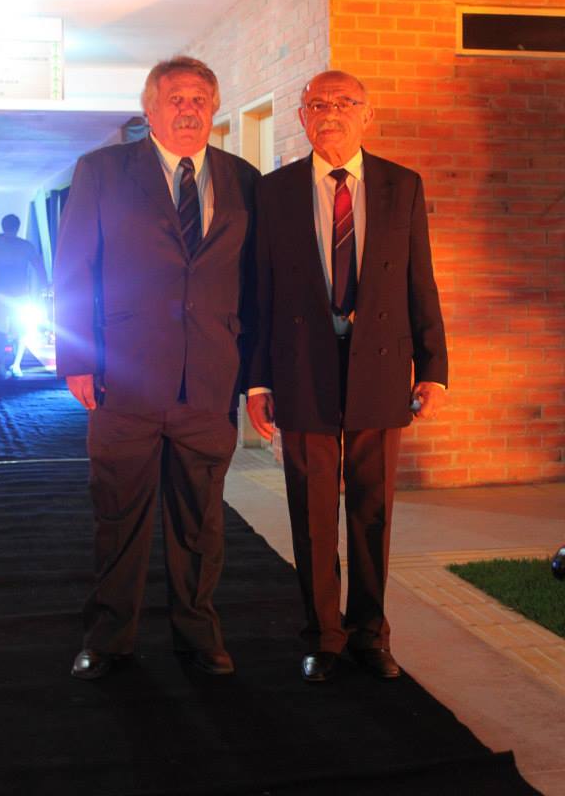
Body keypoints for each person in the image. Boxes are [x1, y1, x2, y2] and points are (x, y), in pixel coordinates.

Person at [54, 56, 259, 680]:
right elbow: (74, 267)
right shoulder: (102, 171)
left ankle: (198, 636)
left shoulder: (245, 179)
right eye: (175, 98)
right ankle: (109, 638)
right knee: (119, 516)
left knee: (201, 520)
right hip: (124, 379)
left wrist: (256, 374)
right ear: (150, 109)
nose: (188, 109)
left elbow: (256, 284)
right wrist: (78, 357)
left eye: (199, 98)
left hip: (209, 382)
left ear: (214, 108)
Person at [247, 70, 448, 683]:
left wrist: (434, 368)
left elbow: (420, 280)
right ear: (302, 117)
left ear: (367, 114)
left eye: (343, 102)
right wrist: (257, 381)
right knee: (310, 510)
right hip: (300, 367)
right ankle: (322, 635)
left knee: (372, 508)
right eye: (317, 104)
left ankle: (370, 634)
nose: (329, 113)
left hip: (381, 365)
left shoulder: (401, 185)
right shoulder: (273, 191)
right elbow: (259, 291)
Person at [0, 214, 48, 378]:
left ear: (3, 227)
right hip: (21, 294)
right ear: (18, 227)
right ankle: (16, 365)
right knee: (22, 330)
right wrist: (45, 286)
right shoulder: (26, 246)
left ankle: (1, 365)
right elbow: (39, 267)